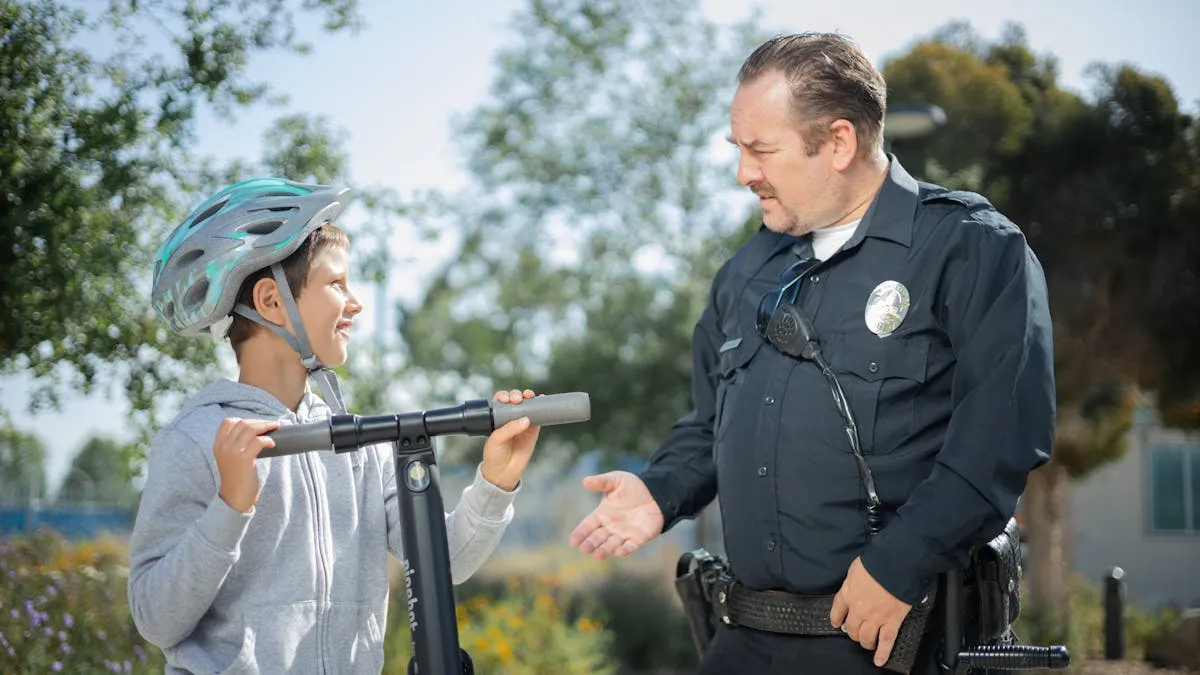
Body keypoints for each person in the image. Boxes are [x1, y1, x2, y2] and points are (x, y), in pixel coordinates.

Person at [569, 32, 1055, 675]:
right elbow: (709, 425)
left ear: (838, 143)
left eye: (760, 150)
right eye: (737, 149)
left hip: (891, 636)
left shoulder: (971, 249)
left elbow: (999, 442)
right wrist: (659, 494)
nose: (744, 173)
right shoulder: (746, 273)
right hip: (741, 637)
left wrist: (898, 564)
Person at [128, 177, 542, 674]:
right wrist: (230, 507)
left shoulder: (359, 445)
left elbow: (443, 564)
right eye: (336, 284)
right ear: (271, 301)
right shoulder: (197, 438)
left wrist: (496, 481)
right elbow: (155, 619)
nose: (355, 302)